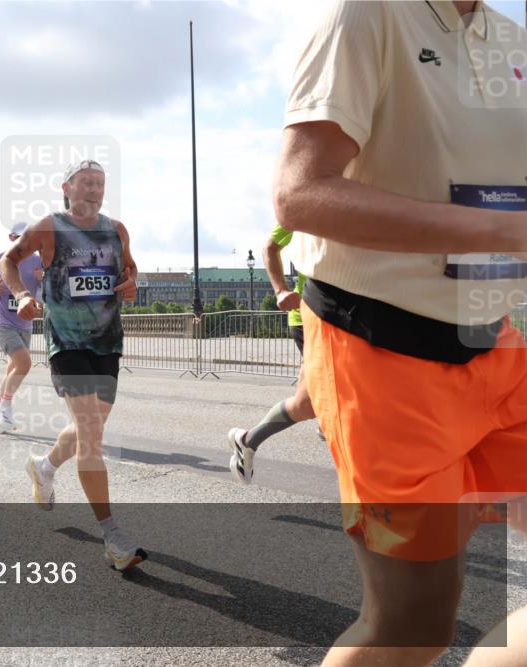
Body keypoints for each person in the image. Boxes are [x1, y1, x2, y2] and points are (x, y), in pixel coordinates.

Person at [275, 1, 527, 664]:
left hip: (502, 339)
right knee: (413, 625)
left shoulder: (508, 36)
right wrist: (501, 231)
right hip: (383, 348)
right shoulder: (363, 13)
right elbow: (299, 194)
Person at [0, 159, 146, 572]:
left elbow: (130, 267)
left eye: (100, 183)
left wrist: (132, 282)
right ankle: (113, 535)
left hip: (107, 342)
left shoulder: (116, 230)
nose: (94, 189)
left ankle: (44, 467)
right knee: (91, 434)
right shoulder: (49, 227)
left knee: (90, 427)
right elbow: (10, 261)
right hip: (67, 343)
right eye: (86, 183)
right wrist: (22, 296)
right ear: (67, 187)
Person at [226, 225, 322, 484]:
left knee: (307, 404)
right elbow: (270, 247)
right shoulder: (304, 204)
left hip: (345, 319)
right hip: (309, 318)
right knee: (323, 404)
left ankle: (247, 441)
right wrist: (280, 290)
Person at [0, 221, 43, 433]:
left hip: (26, 323)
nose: (23, 243)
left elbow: (49, 290)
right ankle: (6, 406)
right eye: (19, 238)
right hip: (4, 323)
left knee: (12, 368)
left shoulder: (38, 261)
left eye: (28, 239)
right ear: (11, 238)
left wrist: (44, 279)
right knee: (24, 364)